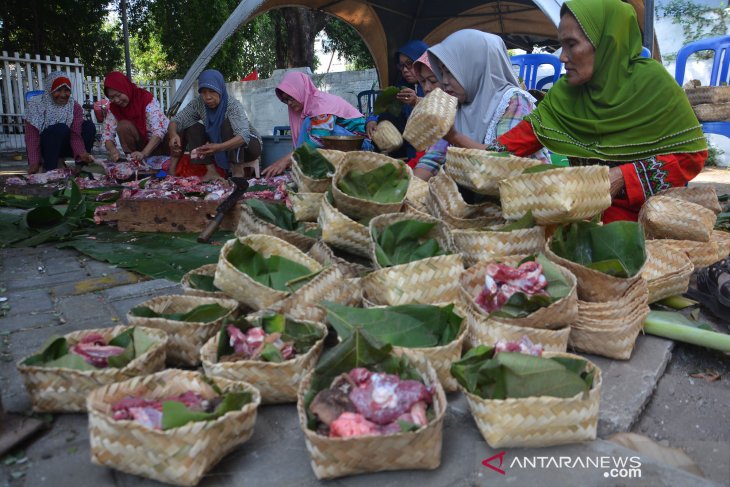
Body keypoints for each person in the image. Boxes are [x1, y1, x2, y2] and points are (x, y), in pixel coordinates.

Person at [491, 0, 707, 223]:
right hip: (580, 221)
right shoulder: (565, 94)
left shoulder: (653, 85)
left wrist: (623, 176)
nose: (562, 57)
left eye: (571, 44)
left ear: (607, 43)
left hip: (646, 223)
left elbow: (692, 156)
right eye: (561, 46)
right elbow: (506, 148)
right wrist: (460, 143)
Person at [427, 30, 547, 162]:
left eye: (450, 72)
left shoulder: (514, 102)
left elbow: (504, 160)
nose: (444, 80)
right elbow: (434, 157)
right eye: (442, 72)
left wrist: (455, 137)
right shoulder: (456, 105)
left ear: (474, 68)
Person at [261, 71, 367, 177]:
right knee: (309, 124)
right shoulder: (310, 108)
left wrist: (286, 160)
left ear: (300, 90)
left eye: (291, 97)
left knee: (311, 125)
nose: (289, 103)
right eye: (285, 100)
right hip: (346, 143)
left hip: (363, 145)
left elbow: (318, 139)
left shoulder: (322, 104)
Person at [167, 69, 262, 180]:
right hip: (219, 146)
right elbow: (177, 120)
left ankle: (238, 171)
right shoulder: (199, 103)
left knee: (227, 125)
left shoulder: (232, 105)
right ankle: (211, 171)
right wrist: (173, 134)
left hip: (250, 147)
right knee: (192, 128)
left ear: (220, 89)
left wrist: (219, 147)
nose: (208, 97)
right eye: (203, 92)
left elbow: (243, 136)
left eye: (212, 91)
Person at [366, 40, 429, 159]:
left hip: (428, 152)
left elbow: (440, 110)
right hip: (399, 152)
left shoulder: (436, 86)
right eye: (402, 65)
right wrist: (372, 120)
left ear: (423, 62)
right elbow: (380, 107)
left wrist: (416, 101)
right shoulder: (399, 87)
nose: (405, 70)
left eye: (409, 64)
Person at [24, 71, 95, 174]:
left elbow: (75, 134)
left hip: (65, 145)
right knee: (60, 128)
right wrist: (35, 162)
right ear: (50, 90)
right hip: (45, 147)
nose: (63, 95)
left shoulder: (74, 107)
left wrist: (81, 153)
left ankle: (81, 167)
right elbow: (32, 137)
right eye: (58, 90)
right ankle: (50, 169)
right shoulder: (36, 105)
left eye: (67, 90)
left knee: (88, 126)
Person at [101, 71, 170, 163]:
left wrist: (144, 153)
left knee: (175, 129)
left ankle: (168, 161)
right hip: (140, 146)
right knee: (123, 126)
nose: (116, 100)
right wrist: (113, 150)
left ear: (125, 88)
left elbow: (159, 131)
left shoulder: (145, 98)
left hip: (160, 143)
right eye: (112, 97)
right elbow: (107, 135)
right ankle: (134, 161)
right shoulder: (114, 108)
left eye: (118, 95)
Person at [411, 52, 449, 181]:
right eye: (422, 81)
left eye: (433, 80)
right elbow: (430, 156)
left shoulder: (509, 101)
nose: (426, 88)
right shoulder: (436, 111)